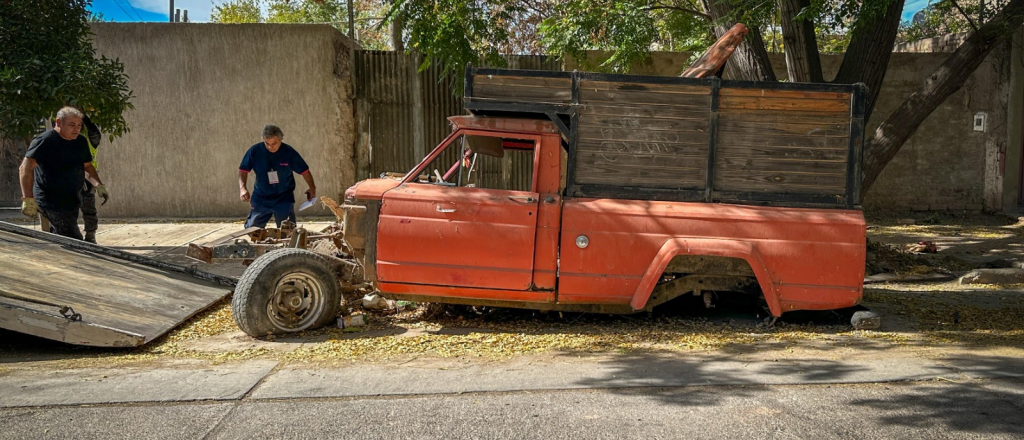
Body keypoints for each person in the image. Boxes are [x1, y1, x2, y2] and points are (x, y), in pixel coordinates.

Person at [19, 107, 110, 240]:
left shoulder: (81, 142)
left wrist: (99, 185)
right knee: (74, 239)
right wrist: (28, 199)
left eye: (79, 125)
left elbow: (87, 166)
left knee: (61, 238)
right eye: (72, 125)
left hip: (71, 200)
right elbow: (25, 168)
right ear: (58, 122)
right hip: (50, 201)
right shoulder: (44, 141)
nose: (77, 129)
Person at [238, 125, 316, 228]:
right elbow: (243, 170)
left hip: (283, 196)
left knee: (288, 229)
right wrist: (242, 188)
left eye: (274, 143)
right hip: (261, 196)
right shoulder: (255, 151)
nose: (270, 147)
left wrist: (312, 187)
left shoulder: (289, 152)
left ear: (281, 139)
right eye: (267, 143)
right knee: (252, 228)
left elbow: (305, 171)